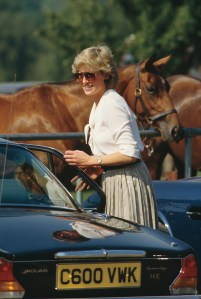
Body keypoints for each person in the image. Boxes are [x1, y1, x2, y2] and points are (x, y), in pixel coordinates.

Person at [64, 45, 158, 229]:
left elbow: (131, 153)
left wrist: (92, 160)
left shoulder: (112, 103)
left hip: (128, 181)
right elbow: (114, 149)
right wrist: (99, 168)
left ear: (106, 74)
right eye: (79, 75)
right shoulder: (99, 104)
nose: (84, 81)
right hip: (115, 179)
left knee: (129, 245)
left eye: (89, 75)